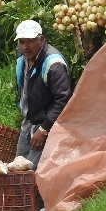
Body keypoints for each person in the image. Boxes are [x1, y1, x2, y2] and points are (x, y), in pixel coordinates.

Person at [14, 20, 72, 171]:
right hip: (29, 122)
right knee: (18, 168)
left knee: (33, 173)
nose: (25, 47)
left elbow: (63, 100)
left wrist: (44, 130)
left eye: (31, 41)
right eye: (22, 42)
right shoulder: (23, 56)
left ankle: (37, 196)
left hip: (46, 126)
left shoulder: (54, 63)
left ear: (41, 39)